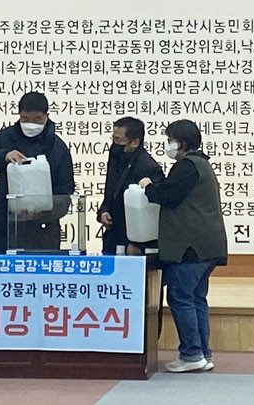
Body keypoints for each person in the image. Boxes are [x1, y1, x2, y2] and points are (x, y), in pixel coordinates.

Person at [139, 119, 227, 373]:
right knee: (195, 298)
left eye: (170, 140)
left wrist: (148, 187)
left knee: (180, 296)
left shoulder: (186, 166)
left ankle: (191, 353)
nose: (168, 145)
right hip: (206, 246)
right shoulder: (202, 164)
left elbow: (168, 195)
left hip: (190, 247)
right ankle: (201, 353)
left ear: (182, 142)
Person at [0, 92, 75, 253]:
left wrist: (44, 212)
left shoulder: (58, 147)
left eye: (37, 119)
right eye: (25, 119)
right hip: (4, 228)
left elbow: (65, 190)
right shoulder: (6, 137)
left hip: (43, 233)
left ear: (46, 116)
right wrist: (4, 155)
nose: (31, 124)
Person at [97, 117, 164, 255]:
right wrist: (104, 210)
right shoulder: (116, 156)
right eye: (113, 139)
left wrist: (138, 243)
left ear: (135, 142)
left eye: (119, 140)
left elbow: (153, 212)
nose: (115, 144)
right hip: (113, 234)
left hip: (133, 241)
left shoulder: (148, 167)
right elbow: (111, 190)